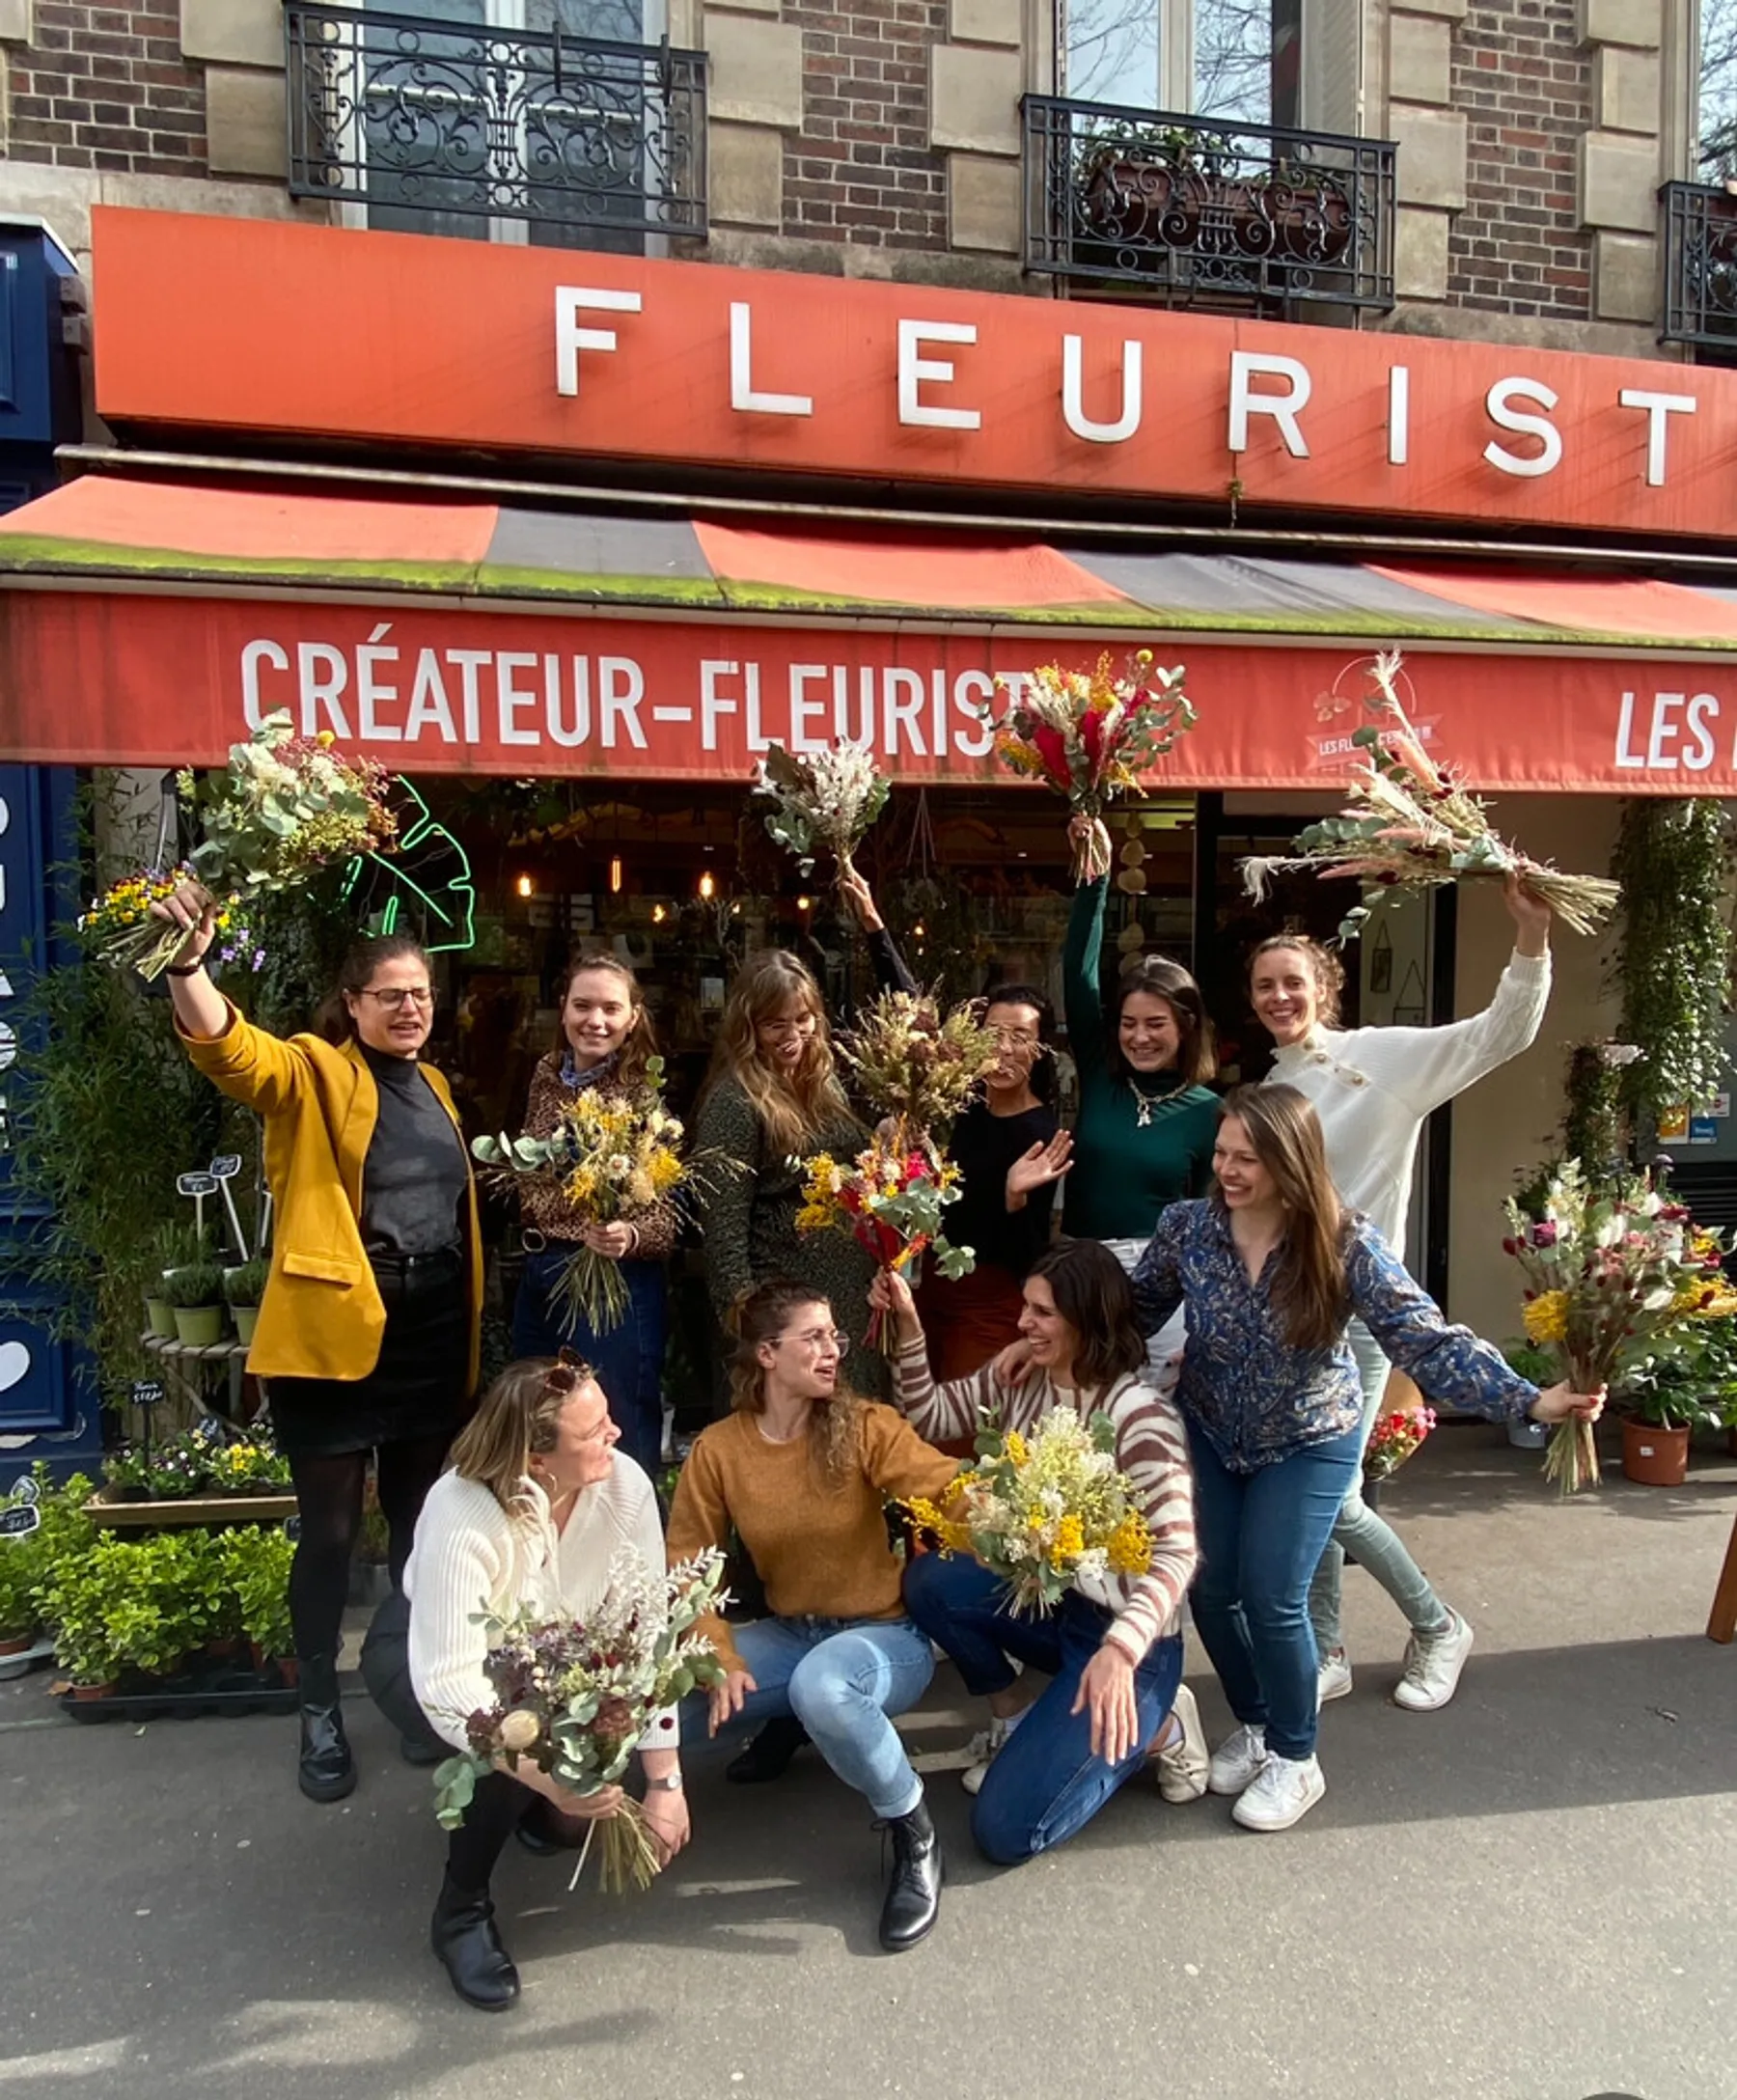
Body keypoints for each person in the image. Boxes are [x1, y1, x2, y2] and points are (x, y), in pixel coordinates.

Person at [1127, 1085, 1602, 1832]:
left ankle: (1296, 1755)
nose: (1228, 1170)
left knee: (1275, 1591)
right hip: (1214, 1429)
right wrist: (1052, 1336)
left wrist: (1528, 1400)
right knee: (1211, 1590)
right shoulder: (1187, 1229)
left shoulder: (1345, 1240)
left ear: (1292, 1161)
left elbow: (1425, 1338)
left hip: (1313, 1435)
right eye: (1221, 1153)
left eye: (1248, 1158)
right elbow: (1131, 1311)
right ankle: (1254, 1724)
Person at [152, 882, 482, 1807]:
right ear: (353, 1005)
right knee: (331, 1537)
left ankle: (424, 1699)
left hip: (427, 1336)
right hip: (336, 1340)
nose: (410, 1007)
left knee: (426, 1531)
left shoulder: (441, 1089)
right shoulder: (314, 1072)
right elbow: (232, 1054)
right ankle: (319, 1708)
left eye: (419, 992)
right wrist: (189, 965)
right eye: (390, 996)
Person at [1248, 876, 1552, 1713]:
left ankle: (1438, 1622)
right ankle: (1328, 1647)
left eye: (1293, 983)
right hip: (1288, 1315)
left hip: (1362, 1314)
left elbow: (1500, 1035)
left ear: (1324, 989)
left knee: (1327, 1495)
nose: (1279, 997)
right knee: (1305, 1483)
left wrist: (1529, 943)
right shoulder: (1272, 1087)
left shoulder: (1378, 1060)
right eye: (1265, 986)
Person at [871, 1240, 1203, 1861]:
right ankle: (1017, 1713)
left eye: (1042, 1312)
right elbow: (927, 1413)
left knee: (1004, 1831)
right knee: (932, 1581)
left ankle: (1163, 1728)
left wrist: (1119, 1653)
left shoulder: (1143, 1418)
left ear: (1087, 1319)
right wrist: (910, 1328)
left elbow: (1178, 1556)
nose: (1023, 1323)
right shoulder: (1024, 1379)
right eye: (1026, 1308)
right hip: (1056, 1606)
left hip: (1131, 1645)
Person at [663, 1278, 959, 1951]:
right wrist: (718, 1651)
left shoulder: (863, 1425)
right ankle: (561, 1806)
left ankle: (914, 1830)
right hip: (792, 1634)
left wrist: (1021, 1517)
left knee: (823, 1688)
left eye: (835, 1336)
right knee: (665, 1700)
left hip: (883, 1638)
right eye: (815, 1338)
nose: (834, 1351)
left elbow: (943, 1485)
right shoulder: (719, 1450)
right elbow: (688, 1563)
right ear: (767, 1354)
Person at [404, 1355, 687, 2009]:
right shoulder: (462, 1509)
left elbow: (646, 1633)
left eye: (610, 1418)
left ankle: (540, 1818)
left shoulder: (626, 1487)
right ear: (537, 1459)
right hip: (443, 1657)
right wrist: (540, 1771)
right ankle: (461, 1913)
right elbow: (451, 1682)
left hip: (555, 1663)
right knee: (511, 1743)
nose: (615, 1436)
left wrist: (665, 1780)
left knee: (566, 1815)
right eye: (595, 1432)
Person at [695, 946, 891, 1395]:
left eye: (802, 1019)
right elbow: (723, 1227)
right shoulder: (734, 1101)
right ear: (749, 1027)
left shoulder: (824, 1080)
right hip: (784, 1313)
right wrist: (750, 1324)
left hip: (848, 1301)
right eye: (774, 1024)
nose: (792, 1035)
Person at [510, 951, 676, 1478]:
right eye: (582, 1006)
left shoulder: (642, 1100)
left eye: (610, 1008)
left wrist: (627, 1233)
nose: (595, 1021)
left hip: (607, 1285)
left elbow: (670, 1219)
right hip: (539, 1276)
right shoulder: (544, 1077)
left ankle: (630, 1553)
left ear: (633, 1018)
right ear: (563, 1010)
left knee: (613, 1428)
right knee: (537, 1426)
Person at [1061, 823, 1218, 1339]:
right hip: (1083, 1271)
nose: (1140, 1038)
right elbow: (1079, 979)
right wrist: (1094, 878)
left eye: (1156, 1025)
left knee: (1156, 1413)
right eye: (1129, 1024)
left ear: (1185, 1027)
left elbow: (1214, 1214)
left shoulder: (1209, 1112)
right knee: (1079, 1408)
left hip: (1165, 1284)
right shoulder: (1102, 1077)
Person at [914, 983, 1072, 1380]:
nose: (1003, 1049)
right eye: (992, 1034)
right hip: (927, 1285)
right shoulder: (958, 1104)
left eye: (1020, 1038)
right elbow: (912, 1013)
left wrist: (1014, 1197)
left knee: (961, 1427)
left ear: (1040, 1050)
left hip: (988, 1302)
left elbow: (1030, 1257)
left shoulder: (1040, 1133)